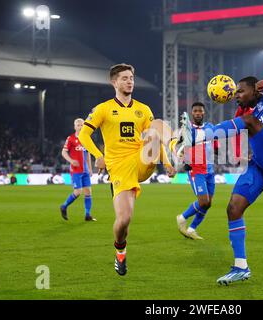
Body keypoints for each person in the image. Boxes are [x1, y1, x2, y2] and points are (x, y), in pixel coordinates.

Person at [176, 76, 263, 285]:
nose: (236, 96)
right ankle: (241, 267)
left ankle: (198, 136)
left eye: (240, 92)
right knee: (234, 207)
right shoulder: (246, 112)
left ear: (255, 90)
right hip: (259, 165)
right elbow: (235, 131)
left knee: (250, 122)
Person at [78, 63, 176, 277]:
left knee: (155, 126)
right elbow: (83, 135)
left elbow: (154, 137)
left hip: (141, 161)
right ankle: (120, 251)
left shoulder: (143, 109)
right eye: (124, 78)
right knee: (123, 221)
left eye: (131, 77)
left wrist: (166, 162)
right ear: (114, 82)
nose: (129, 81)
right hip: (119, 168)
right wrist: (98, 155)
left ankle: (175, 144)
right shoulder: (103, 109)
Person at [176, 102, 217, 240]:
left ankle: (191, 229)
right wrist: (184, 158)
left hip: (210, 170)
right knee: (203, 202)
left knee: (208, 203)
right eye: (195, 111)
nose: (198, 113)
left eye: (200, 111)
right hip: (196, 170)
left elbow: (215, 144)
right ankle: (182, 217)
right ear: (192, 113)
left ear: (204, 113)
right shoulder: (187, 129)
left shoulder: (210, 127)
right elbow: (179, 146)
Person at [60, 118, 96, 222]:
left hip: (85, 170)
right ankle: (64, 206)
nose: (80, 127)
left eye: (82, 125)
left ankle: (87, 215)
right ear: (75, 127)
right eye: (78, 125)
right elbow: (64, 152)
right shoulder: (70, 138)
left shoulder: (86, 138)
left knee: (88, 191)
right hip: (76, 170)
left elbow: (88, 153)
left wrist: (89, 168)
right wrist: (71, 161)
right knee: (78, 191)